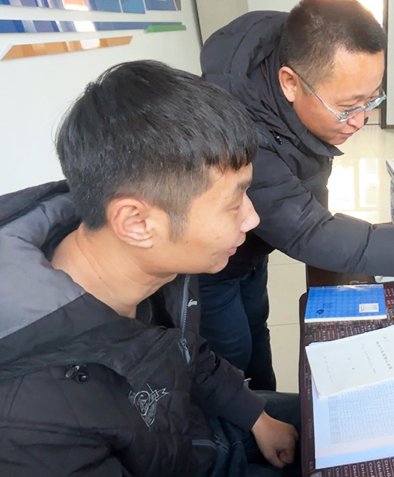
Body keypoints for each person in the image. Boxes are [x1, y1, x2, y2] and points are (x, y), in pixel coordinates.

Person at [199, 0, 394, 389]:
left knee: (256, 334)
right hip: (212, 266)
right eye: (348, 106)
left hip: (250, 252)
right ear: (290, 83)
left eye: (372, 99)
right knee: (230, 360)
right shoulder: (241, 132)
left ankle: (266, 406)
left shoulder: (299, 53)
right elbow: (308, 231)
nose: (361, 120)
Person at [0, 61, 299, 477]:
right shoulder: (30, 422)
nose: (251, 219)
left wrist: (256, 417)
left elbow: (185, 352)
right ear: (137, 222)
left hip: (197, 432)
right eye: (234, 204)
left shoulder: (155, 260)